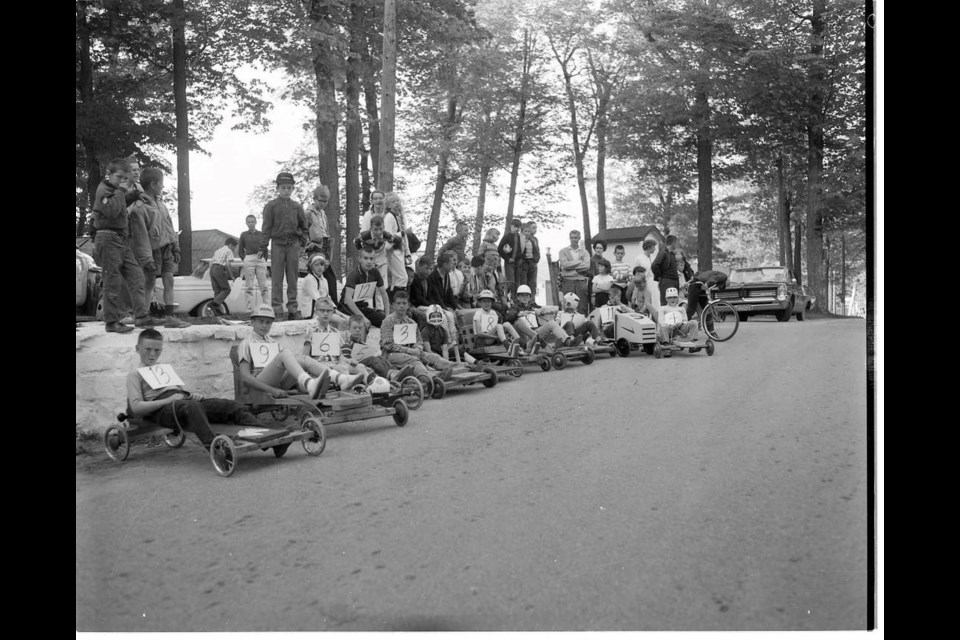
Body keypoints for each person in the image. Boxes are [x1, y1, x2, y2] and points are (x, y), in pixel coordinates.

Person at [125, 329, 270, 449]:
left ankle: (270, 435)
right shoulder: (135, 375)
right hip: (161, 410)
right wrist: (169, 400)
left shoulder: (163, 369)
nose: (152, 354)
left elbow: (179, 391)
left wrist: (191, 395)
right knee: (192, 406)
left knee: (232, 406)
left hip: (182, 403)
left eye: (157, 350)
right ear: (137, 349)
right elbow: (137, 407)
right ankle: (215, 446)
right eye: (148, 349)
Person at [237, 305, 365, 399]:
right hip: (261, 382)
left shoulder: (272, 342)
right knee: (285, 353)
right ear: (252, 322)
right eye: (260, 322)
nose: (264, 326)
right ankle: (310, 384)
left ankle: (341, 379)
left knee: (303, 359)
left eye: (268, 323)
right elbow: (245, 377)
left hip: (279, 380)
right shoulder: (246, 343)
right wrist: (272, 390)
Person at [92, 158, 153, 333]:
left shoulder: (115, 190)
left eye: (125, 178)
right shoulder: (104, 190)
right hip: (108, 237)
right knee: (113, 281)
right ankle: (111, 322)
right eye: (119, 177)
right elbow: (111, 211)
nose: (122, 181)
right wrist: (121, 191)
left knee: (136, 275)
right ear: (109, 175)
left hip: (121, 239)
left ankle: (141, 316)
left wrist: (133, 195)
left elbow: (119, 205)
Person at [128, 167, 190, 328]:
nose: (163, 186)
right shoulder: (139, 208)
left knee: (169, 280)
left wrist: (176, 246)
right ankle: (143, 315)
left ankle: (170, 317)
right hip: (152, 250)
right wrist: (146, 258)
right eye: (161, 183)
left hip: (167, 247)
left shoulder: (161, 204)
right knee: (149, 282)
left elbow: (169, 225)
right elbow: (140, 236)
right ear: (153, 184)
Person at [380, 291, 456, 388]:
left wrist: (418, 349)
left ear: (408, 305)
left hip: (411, 351)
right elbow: (387, 344)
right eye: (398, 303)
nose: (401, 306)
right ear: (393, 305)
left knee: (433, 357)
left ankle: (458, 367)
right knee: (414, 360)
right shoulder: (388, 321)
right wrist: (409, 350)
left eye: (404, 303)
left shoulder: (411, 322)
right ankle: (432, 379)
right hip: (392, 354)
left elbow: (419, 341)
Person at [302, 298, 385, 387]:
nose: (325, 313)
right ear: (316, 312)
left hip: (335, 363)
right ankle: (347, 386)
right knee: (342, 369)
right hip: (320, 365)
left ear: (332, 313)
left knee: (361, 367)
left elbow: (340, 356)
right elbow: (305, 356)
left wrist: (350, 360)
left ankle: (372, 387)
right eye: (322, 311)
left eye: (328, 311)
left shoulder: (335, 332)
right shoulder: (311, 330)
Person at [260, 171, 309, 320]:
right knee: (277, 279)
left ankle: (293, 309)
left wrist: (303, 240)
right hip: (277, 245)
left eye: (289, 188)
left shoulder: (297, 207)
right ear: (278, 188)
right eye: (283, 188)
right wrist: (263, 247)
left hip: (293, 245)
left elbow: (304, 226)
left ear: (293, 189)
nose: (286, 191)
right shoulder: (271, 206)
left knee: (293, 278)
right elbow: (266, 228)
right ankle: (277, 310)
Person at [339, 313, 416, 383]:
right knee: (372, 359)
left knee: (380, 357)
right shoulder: (347, 345)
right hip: (356, 367)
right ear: (349, 329)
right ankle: (391, 375)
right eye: (354, 328)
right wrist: (352, 361)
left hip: (366, 366)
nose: (357, 330)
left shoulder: (363, 345)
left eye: (360, 328)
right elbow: (346, 362)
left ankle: (395, 372)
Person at [505, 284, 572, 353]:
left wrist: (540, 311)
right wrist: (519, 314)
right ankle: (542, 343)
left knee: (552, 323)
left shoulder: (532, 307)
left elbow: (543, 310)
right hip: (524, 337)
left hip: (535, 334)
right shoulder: (514, 307)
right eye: (522, 295)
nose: (525, 297)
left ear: (530, 297)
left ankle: (567, 341)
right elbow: (508, 317)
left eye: (527, 295)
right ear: (518, 297)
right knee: (518, 321)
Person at [341, 246, 391, 328]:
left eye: (371, 259)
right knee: (362, 324)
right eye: (366, 258)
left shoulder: (375, 272)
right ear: (360, 259)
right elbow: (348, 299)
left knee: (387, 323)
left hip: (362, 306)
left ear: (374, 260)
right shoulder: (354, 274)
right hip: (347, 307)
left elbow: (384, 293)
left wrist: (387, 315)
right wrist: (363, 317)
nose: (369, 262)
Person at [473, 289, 522, 356]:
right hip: (482, 340)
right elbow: (479, 333)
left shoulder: (493, 313)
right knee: (499, 326)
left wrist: (499, 335)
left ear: (492, 303)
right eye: (484, 302)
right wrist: (495, 337)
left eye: (488, 302)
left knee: (506, 324)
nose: (486, 304)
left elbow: (497, 328)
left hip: (492, 337)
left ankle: (519, 342)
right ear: (480, 303)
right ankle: (507, 346)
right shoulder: (478, 314)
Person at [238, 214, 269, 314]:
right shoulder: (243, 235)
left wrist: (264, 258)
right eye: (249, 222)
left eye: (252, 221)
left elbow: (265, 247)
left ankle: (267, 307)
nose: (251, 223)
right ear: (246, 223)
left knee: (263, 285)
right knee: (249, 286)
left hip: (260, 258)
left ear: (256, 222)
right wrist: (245, 259)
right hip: (249, 258)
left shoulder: (261, 234)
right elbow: (240, 249)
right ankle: (248, 309)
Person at [381, 192, 410, 295]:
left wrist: (408, 253)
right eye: (393, 202)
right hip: (393, 250)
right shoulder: (389, 217)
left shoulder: (400, 217)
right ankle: (397, 300)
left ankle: (395, 300)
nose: (397, 203)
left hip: (400, 250)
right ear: (388, 205)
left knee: (396, 279)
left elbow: (404, 237)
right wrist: (402, 233)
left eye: (397, 201)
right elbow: (387, 235)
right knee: (402, 277)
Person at [558, 229, 591, 315]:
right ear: (569, 238)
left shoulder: (584, 252)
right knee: (568, 304)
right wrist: (579, 262)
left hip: (581, 281)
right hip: (568, 281)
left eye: (575, 238)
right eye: (572, 237)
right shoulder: (563, 251)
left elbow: (587, 266)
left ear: (579, 238)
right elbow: (565, 265)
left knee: (582, 305)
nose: (573, 239)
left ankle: (583, 324)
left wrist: (571, 268)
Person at [353, 214, 393, 284]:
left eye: (381, 229)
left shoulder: (387, 235)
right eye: (375, 229)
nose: (378, 232)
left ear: (384, 227)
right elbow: (355, 242)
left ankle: (381, 293)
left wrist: (390, 246)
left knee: (383, 280)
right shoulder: (364, 236)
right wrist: (362, 250)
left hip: (381, 257)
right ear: (370, 228)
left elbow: (397, 241)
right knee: (369, 278)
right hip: (369, 257)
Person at [298, 253, 333, 320]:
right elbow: (318, 299)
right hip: (312, 313)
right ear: (311, 267)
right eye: (316, 265)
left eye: (322, 265)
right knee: (340, 321)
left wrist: (335, 308)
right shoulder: (309, 279)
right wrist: (333, 309)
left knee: (344, 319)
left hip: (323, 310)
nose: (320, 267)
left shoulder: (324, 280)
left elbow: (327, 296)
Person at [210, 237, 238, 316]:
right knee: (227, 289)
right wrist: (232, 276)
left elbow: (211, 262)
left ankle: (216, 311)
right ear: (230, 245)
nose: (234, 249)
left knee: (217, 291)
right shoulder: (229, 251)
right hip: (219, 268)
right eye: (234, 247)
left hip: (212, 269)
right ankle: (214, 304)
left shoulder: (218, 250)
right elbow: (228, 265)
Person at [498, 218, 524, 302]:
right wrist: (507, 258)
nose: (517, 229)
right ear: (511, 226)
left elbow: (523, 249)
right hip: (509, 262)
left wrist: (520, 258)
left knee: (517, 281)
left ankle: (516, 299)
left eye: (519, 227)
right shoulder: (507, 237)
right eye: (515, 227)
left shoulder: (521, 237)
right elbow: (500, 249)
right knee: (511, 281)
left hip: (518, 262)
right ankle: (509, 299)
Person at [634, 239, 661, 315]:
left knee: (656, 300)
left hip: (655, 282)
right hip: (644, 283)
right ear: (649, 247)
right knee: (646, 301)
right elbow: (636, 272)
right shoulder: (639, 258)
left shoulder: (654, 257)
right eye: (653, 247)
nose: (655, 249)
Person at [652, 234, 681, 305]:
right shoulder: (663, 252)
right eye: (676, 243)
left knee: (674, 304)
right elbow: (654, 265)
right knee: (666, 304)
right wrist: (659, 276)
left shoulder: (672, 254)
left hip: (674, 281)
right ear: (673, 243)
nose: (677, 245)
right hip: (667, 281)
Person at [519, 221, 541, 297]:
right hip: (525, 262)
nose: (535, 230)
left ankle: (532, 300)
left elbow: (537, 250)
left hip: (533, 262)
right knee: (524, 281)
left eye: (536, 228)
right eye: (533, 228)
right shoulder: (521, 239)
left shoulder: (535, 239)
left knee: (533, 282)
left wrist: (536, 259)